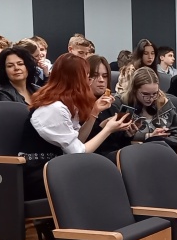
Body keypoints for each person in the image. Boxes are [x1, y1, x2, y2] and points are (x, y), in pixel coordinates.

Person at [20, 54, 128, 200]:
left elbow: (78, 142)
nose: (89, 82)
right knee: (101, 173)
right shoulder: (54, 108)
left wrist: (94, 112)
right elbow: (79, 152)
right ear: (76, 79)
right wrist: (108, 129)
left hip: (54, 168)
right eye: (87, 77)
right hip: (39, 174)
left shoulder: (65, 104)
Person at [120, 66, 177, 150]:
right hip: (134, 154)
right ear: (134, 90)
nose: (151, 98)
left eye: (155, 93)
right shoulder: (123, 104)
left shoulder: (164, 103)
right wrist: (149, 137)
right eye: (145, 94)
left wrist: (162, 139)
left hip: (163, 150)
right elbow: (119, 138)